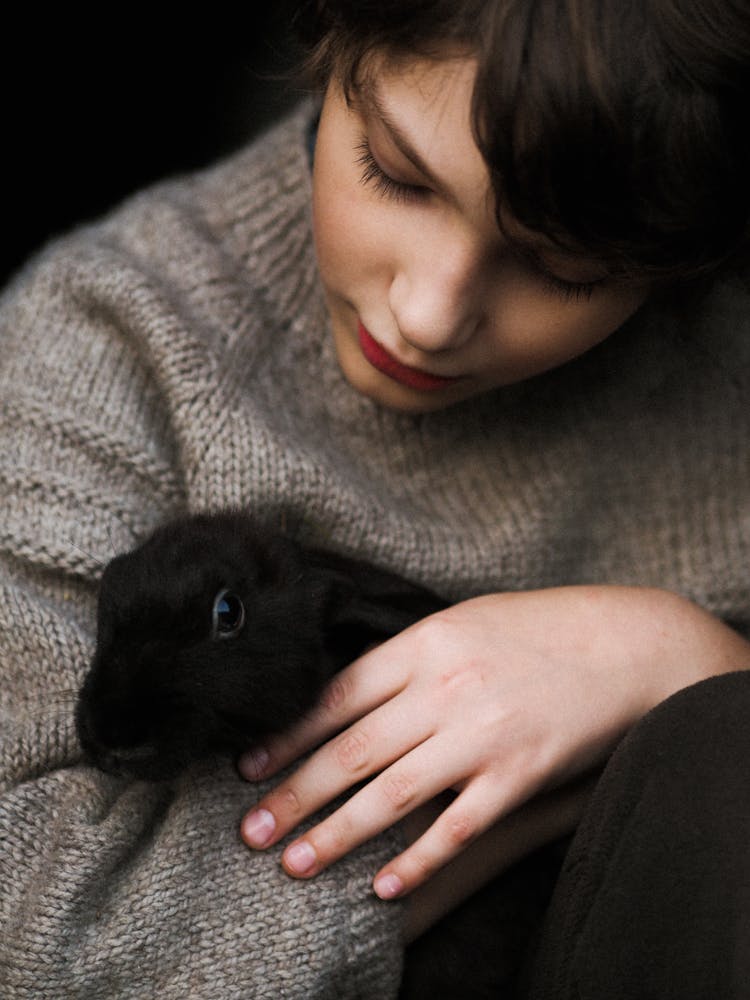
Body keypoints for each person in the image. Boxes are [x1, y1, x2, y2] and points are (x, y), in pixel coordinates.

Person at [0, 1, 747, 997]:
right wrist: (532, 796)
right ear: (328, 46)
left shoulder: (726, 379)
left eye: (559, 265)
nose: (429, 315)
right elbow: (39, 937)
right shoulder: (110, 342)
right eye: (396, 173)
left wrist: (685, 662)